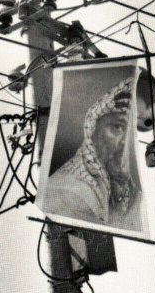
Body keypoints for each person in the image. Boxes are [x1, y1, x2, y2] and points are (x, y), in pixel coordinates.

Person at [44, 76, 143, 231]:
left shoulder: (130, 192)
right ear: (93, 131)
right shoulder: (65, 188)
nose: (125, 142)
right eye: (117, 127)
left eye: (130, 132)